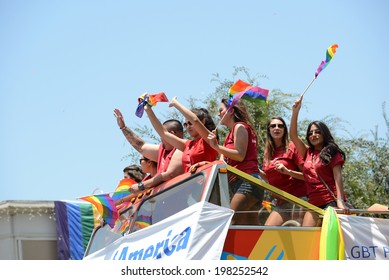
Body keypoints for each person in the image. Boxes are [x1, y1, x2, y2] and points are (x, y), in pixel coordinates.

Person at [195, 97, 264, 225]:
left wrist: (216, 146)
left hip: (248, 182)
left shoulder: (240, 127)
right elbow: (224, 162)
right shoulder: (231, 133)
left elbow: (240, 155)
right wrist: (208, 164)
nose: (218, 114)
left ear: (231, 111)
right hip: (240, 183)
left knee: (228, 222)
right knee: (249, 229)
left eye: (221, 110)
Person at [290, 96, 349, 227]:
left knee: (331, 237)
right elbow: (293, 136)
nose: (313, 135)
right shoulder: (307, 152)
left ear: (324, 134)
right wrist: (295, 112)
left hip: (331, 201)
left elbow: (338, 177)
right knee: (306, 235)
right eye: (310, 133)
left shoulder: (332, 152)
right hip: (313, 203)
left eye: (317, 132)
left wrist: (340, 201)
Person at [113, 108, 184, 195]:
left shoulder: (182, 149)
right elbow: (141, 146)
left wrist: (141, 186)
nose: (160, 139)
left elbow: (169, 174)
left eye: (161, 134)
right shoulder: (163, 150)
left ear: (171, 134)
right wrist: (123, 127)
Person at [143, 101, 218, 174]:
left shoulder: (209, 139)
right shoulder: (188, 145)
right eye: (186, 124)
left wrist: (176, 104)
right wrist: (148, 111)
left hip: (207, 181)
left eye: (190, 123)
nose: (188, 127)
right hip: (193, 183)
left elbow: (195, 120)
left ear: (203, 121)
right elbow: (164, 133)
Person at [259, 117, 307, 226]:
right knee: (268, 231)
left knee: (296, 231)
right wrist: (255, 170)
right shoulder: (267, 152)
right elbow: (268, 178)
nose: (277, 128)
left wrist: (288, 171)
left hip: (298, 199)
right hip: (281, 201)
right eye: (273, 126)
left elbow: (307, 176)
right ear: (268, 130)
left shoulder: (291, 147)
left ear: (284, 130)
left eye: (280, 126)